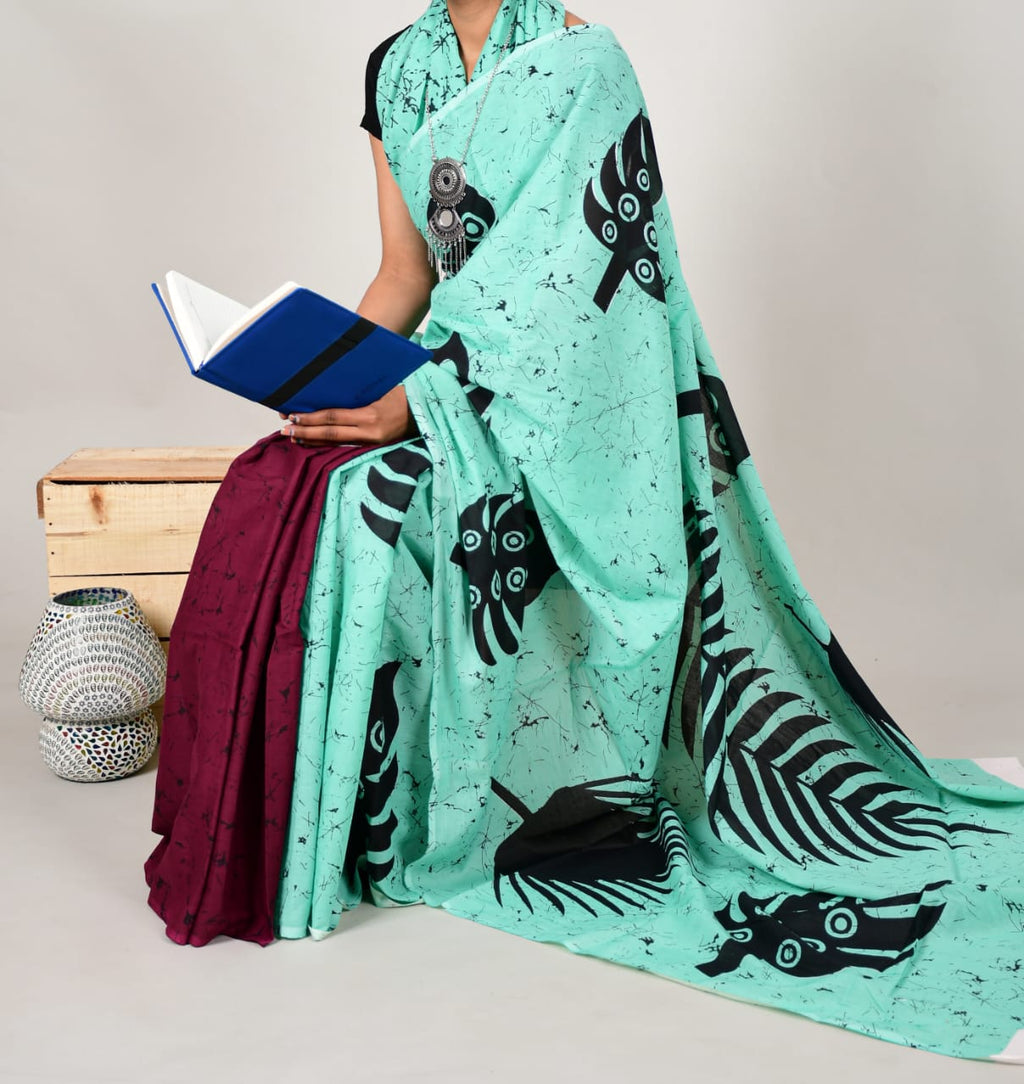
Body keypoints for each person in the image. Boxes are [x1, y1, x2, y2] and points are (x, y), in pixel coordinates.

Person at [145, 0, 1024, 1062]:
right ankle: (338, 825)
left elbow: (581, 307)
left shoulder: (582, 62)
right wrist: (321, 374)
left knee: (391, 503)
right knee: (288, 486)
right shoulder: (392, 67)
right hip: (452, 387)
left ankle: (484, 808)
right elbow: (407, 277)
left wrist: (418, 401)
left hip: (575, 413)